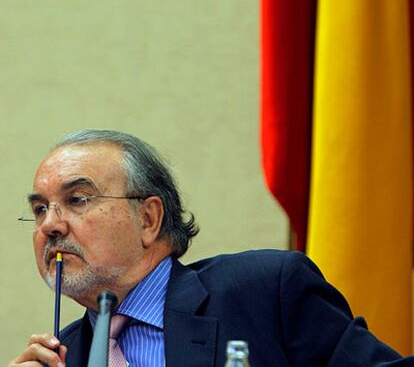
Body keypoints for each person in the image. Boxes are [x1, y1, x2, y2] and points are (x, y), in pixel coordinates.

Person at [8, 129, 414, 367]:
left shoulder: (265, 292)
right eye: (40, 209)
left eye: (78, 199)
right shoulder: (61, 356)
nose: (50, 225)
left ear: (148, 219)